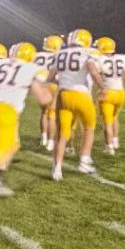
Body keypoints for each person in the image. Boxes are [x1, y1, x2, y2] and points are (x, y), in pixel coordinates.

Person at [0, 42, 53, 211]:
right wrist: (48, 88)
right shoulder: (31, 69)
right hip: (6, 113)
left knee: (13, 145)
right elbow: (44, 99)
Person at [47, 28, 104, 180]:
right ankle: (84, 161)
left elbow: (50, 78)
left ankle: (56, 168)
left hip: (63, 95)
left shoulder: (59, 54)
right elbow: (92, 71)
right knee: (89, 128)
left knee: (62, 134)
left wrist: (63, 81)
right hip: (81, 95)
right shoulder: (87, 53)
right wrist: (102, 87)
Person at [94, 36, 125, 155]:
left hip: (107, 93)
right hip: (120, 93)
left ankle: (109, 147)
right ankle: (115, 140)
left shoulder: (100, 60)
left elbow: (96, 78)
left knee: (107, 122)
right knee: (115, 118)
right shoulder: (122, 58)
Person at [33, 35, 64, 151]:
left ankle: (44, 137)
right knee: (52, 114)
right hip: (53, 83)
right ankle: (51, 141)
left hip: (40, 84)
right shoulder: (60, 56)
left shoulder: (37, 55)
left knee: (44, 112)